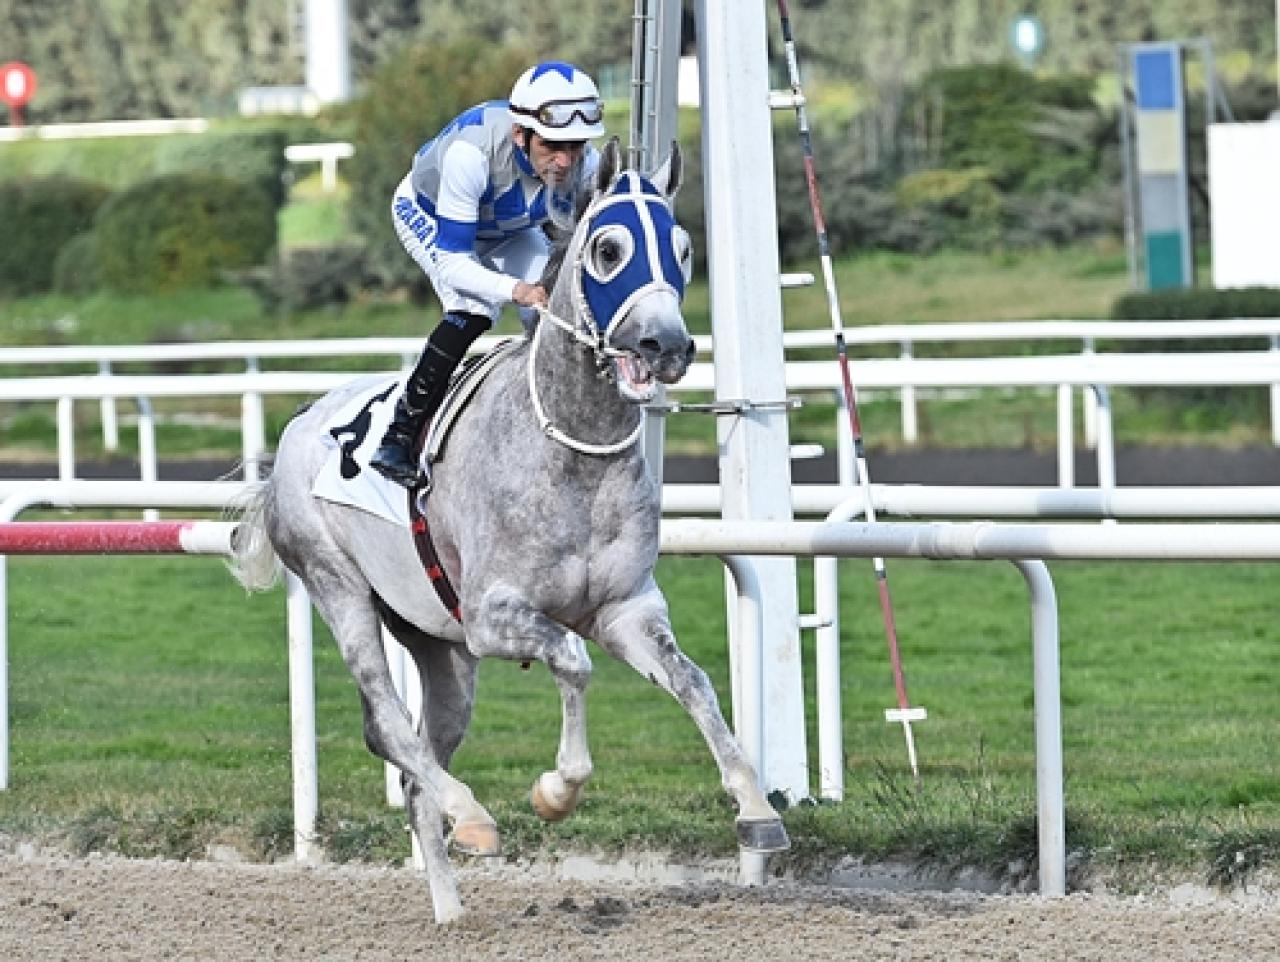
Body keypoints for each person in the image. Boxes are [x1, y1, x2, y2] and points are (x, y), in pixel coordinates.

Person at [370, 60, 606, 488]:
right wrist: (515, 290)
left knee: (555, 307)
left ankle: (557, 422)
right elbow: (456, 264)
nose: (566, 160)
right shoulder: (471, 154)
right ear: (520, 134)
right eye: (553, 145)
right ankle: (399, 435)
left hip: (506, 228)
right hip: (433, 219)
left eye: (576, 146)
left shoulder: (586, 164)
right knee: (476, 308)